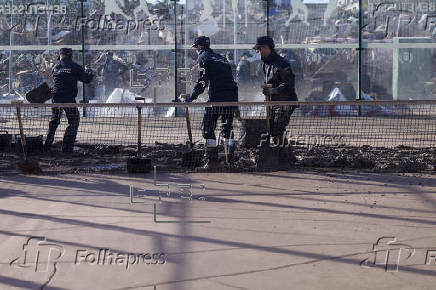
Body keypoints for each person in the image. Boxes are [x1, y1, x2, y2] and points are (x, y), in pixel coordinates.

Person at [180, 36, 238, 169]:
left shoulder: (203, 58)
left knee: (208, 128)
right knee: (227, 128)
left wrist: (192, 97)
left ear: (199, 47)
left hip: (217, 98)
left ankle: (212, 161)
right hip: (232, 98)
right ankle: (231, 161)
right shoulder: (222, 58)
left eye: (196, 48)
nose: (196, 50)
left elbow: (203, 81)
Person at [44, 48, 94, 153]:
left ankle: (47, 146)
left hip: (56, 98)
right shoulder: (75, 67)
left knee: (54, 122)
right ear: (70, 55)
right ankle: (67, 148)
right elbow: (87, 80)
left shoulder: (55, 67)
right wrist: (90, 71)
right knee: (74, 122)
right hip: (68, 100)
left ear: (60, 55)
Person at [253, 36, 298, 146]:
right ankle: (282, 153)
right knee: (273, 128)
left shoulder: (282, 63)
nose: (258, 52)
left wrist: (273, 91)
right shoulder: (266, 64)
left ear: (265, 48)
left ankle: (284, 155)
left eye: (259, 49)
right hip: (274, 102)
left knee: (276, 128)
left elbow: (289, 83)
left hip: (286, 101)